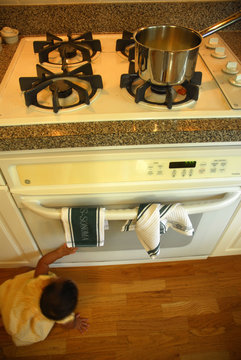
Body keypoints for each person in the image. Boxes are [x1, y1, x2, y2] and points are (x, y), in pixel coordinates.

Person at [0, 244, 89, 346]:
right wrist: (75, 323)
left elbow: (43, 262)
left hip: (13, 304)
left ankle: (4, 318)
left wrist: (59, 253)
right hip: (18, 321)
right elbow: (68, 325)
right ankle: (4, 322)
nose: (58, 277)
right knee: (10, 322)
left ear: (45, 286)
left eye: (58, 279)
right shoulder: (61, 316)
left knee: (26, 270)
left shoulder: (40, 281)